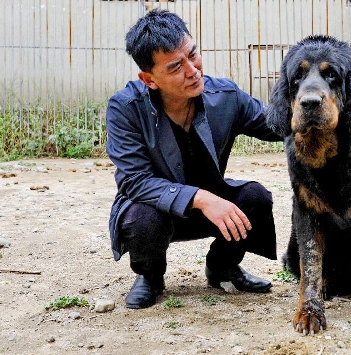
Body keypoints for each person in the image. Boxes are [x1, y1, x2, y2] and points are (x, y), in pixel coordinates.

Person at [106, 9, 281, 309]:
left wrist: (317, 109)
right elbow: (135, 182)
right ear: (149, 79)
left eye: (193, 54)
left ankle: (222, 268)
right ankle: (150, 277)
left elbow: (276, 124)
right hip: (157, 212)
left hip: (211, 209)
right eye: (175, 67)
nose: (193, 70)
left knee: (255, 197)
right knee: (142, 218)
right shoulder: (126, 109)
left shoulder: (225, 96)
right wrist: (201, 198)